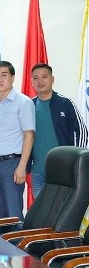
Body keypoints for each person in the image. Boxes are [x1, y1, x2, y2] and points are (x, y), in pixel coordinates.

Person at [0, 60, 35, 221]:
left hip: (12, 165)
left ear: (12, 77)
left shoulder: (23, 102)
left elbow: (29, 135)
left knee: (13, 214)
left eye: (4, 75)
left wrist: (22, 167)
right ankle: (0, 247)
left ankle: (17, 247)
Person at [30, 63, 88, 197]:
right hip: (38, 170)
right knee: (42, 213)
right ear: (32, 82)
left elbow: (82, 131)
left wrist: (76, 159)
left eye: (44, 77)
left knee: (61, 212)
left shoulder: (65, 103)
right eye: (36, 78)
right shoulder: (29, 105)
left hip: (62, 168)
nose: (40, 81)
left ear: (52, 79)